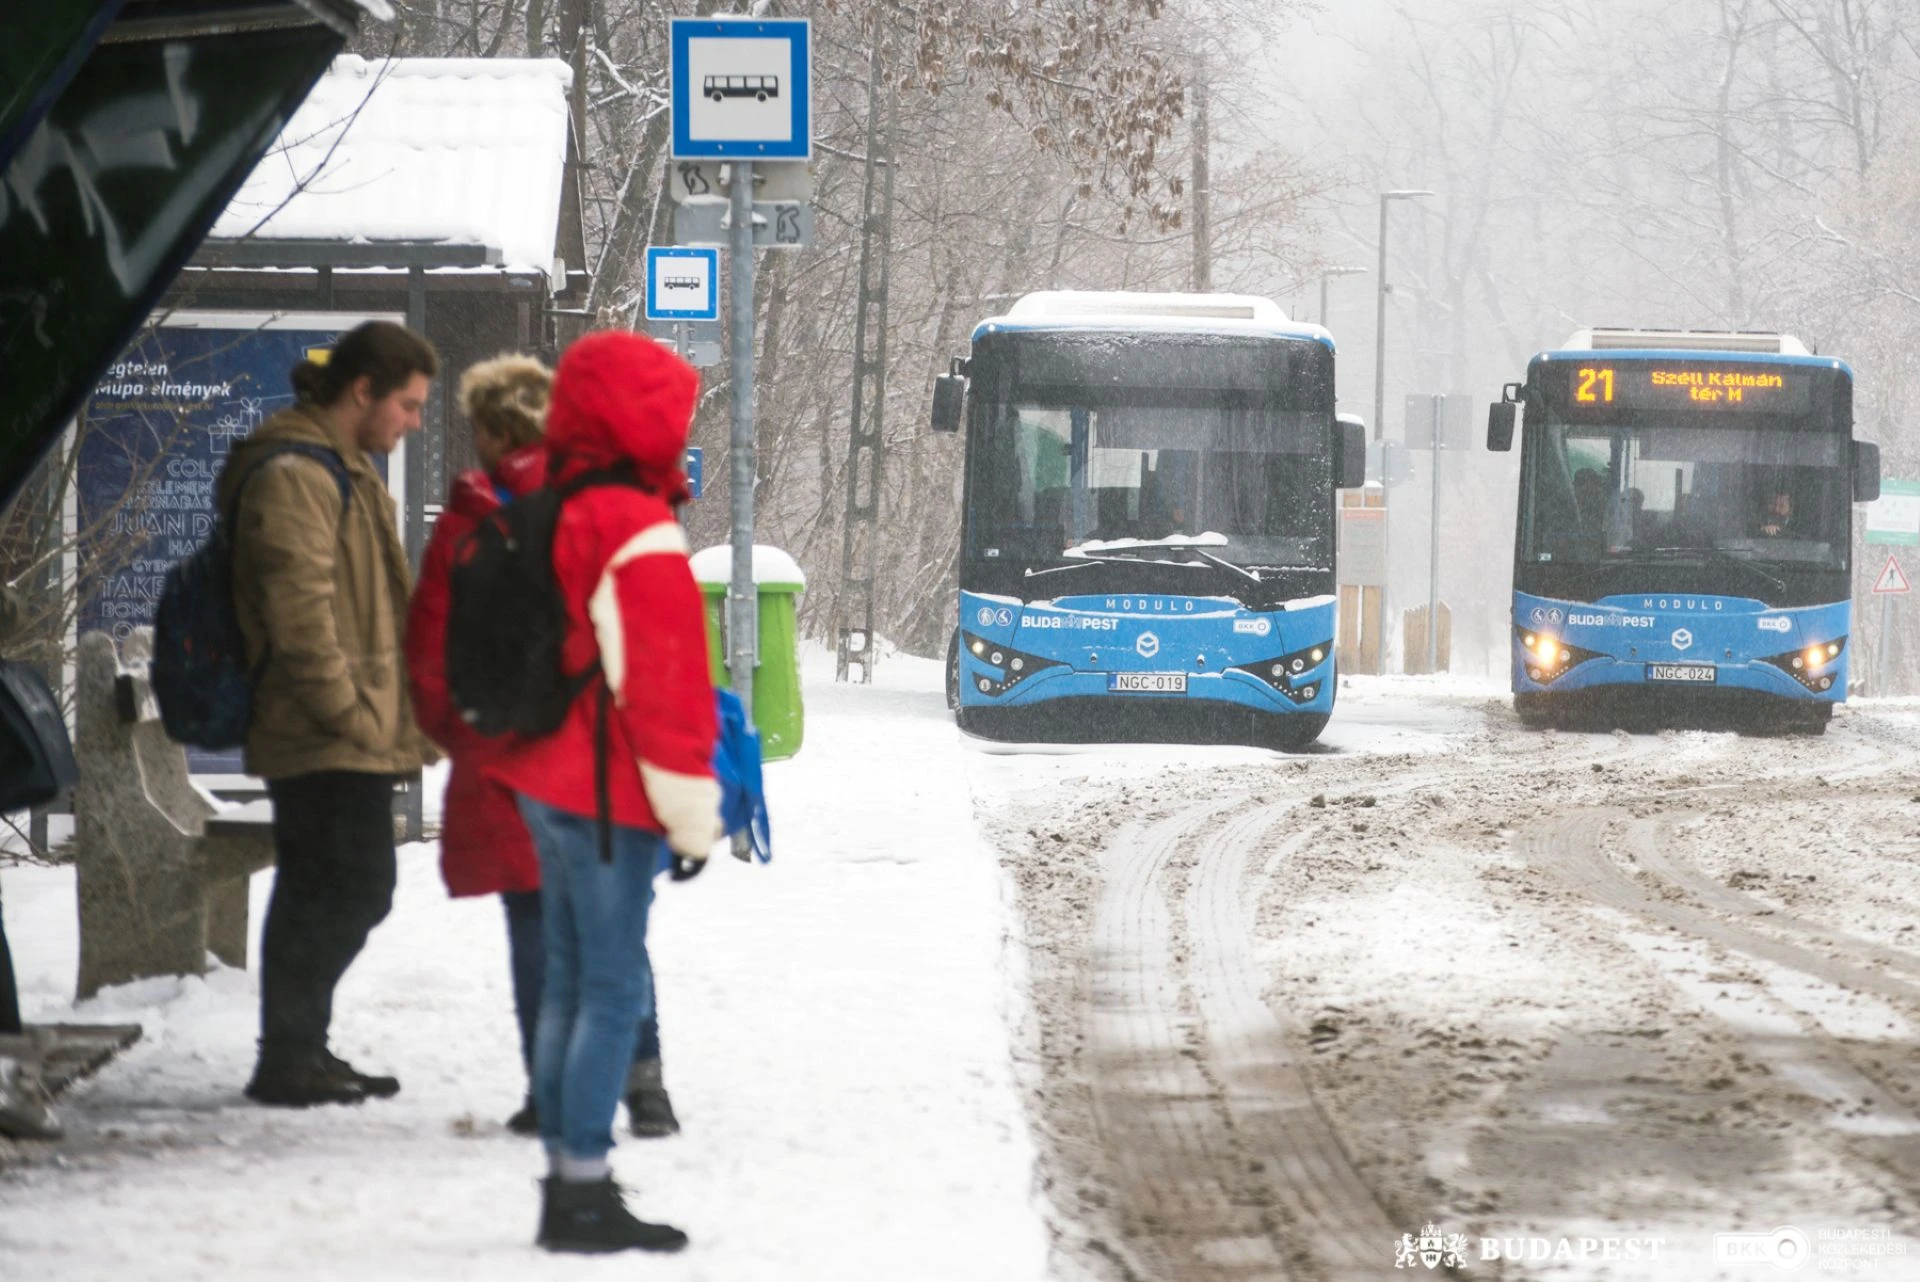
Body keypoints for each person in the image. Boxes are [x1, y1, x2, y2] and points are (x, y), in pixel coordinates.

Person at [404, 354, 679, 1139]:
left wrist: (462, 736)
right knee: (613, 918)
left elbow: (430, 655)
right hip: (601, 758)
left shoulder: (468, 524)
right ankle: (645, 1080)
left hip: (504, 759)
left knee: (536, 925)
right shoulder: (612, 510)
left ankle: (550, 1090)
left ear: (492, 431)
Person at [491, 331, 720, 1254]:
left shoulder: (553, 500)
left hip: (543, 779)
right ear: (646, 417)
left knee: (566, 988)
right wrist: (694, 819)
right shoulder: (636, 526)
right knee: (613, 988)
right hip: (605, 790)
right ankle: (583, 1189)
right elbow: (664, 690)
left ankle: (565, 1177)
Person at [223, 320, 440, 1107]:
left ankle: (296, 1051)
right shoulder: (297, 473)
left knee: (326, 884)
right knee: (350, 884)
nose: (413, 422)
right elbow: (301, 609)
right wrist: (347, 711)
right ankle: (288, 1053)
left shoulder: (340, 466)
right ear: (363, 392)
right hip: (319, 729)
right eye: (409, 406)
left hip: (341, 726)